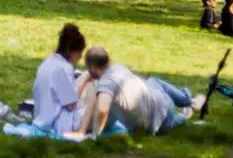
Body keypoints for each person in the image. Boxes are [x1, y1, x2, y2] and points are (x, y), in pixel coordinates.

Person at [73, 46, 204, 137]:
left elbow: (102, 110)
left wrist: (95, 135)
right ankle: (188, 100)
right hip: (162, 105)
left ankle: (186, 107)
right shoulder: (117, 68)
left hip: (157, 126)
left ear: (93, 67)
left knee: (154, 83)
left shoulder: (106, 85)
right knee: (154, 81)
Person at [31, 23, 86, 136]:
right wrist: (85, 82)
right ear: (71, 51)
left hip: (40, 117)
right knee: (94, 105)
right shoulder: (63, 69)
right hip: (57, 124)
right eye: (80, 52)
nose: (81, 57)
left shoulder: (47, 63)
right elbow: (70, 105)